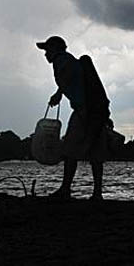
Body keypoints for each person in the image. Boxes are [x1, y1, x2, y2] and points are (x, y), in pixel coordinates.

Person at [36, 35, 111, 201]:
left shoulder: (61, 60)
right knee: (95, 154)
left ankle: (65, 189)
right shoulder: (70, 61)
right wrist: (59, 93)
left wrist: (58, 94)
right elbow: (72, 79)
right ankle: (97, 193)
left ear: (55, 49)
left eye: (47, 50)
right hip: (98, 111)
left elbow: (68, 78)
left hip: (84, 111)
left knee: (70, 150)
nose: (45, 54)